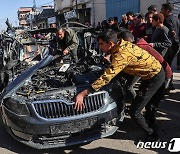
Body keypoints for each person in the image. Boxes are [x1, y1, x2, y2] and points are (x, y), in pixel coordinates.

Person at [75, 29, 165, 142]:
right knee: (147, 106)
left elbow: (107, 77)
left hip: (154, 77)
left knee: (135, 111)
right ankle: (150, 123)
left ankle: (152, 135)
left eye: (101, 44)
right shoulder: (121, 43)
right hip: (150, 74)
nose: (100, 46)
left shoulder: (121, 55)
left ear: (111, 43)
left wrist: (84, 93)